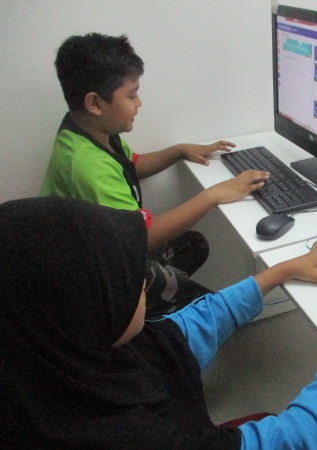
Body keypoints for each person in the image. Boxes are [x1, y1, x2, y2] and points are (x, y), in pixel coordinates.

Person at [0, 196, 317, 450]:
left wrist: (278, 273)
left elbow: (178, 335)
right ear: (83, 307)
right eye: (125, 275)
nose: (143, 279)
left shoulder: (55, 363)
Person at [40, 33, 269, 319]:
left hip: (106, 251)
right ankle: (137, 324)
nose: (139, 103)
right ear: (95, 103)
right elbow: (142, 238)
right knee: (214, 311)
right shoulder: (87, 165)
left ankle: (152, 318)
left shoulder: (90, 130)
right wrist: (213, 195)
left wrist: (179, 151)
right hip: (95, 276)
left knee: (194, 244)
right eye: (131, 95)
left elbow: (131, 165)